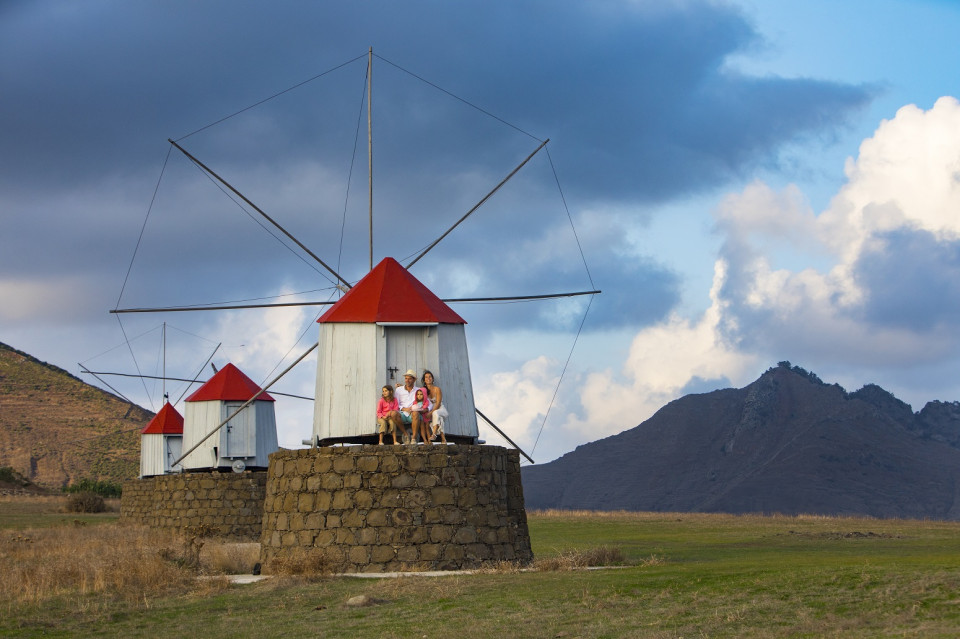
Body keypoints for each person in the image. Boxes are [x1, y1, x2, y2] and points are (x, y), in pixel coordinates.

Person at [394, 369, 422, 444]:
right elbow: (396, 403)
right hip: (402, 413)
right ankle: (405, 434)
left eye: (409, 378)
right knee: (393, 414)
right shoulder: (399, 390)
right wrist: (404, 408)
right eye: (406, 378)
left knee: (416, 413)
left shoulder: (418, 390)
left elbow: (421, 403)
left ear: (414, 380)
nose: (407, 380)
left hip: (412, 413)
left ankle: (413, 438)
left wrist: (412, 408)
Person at [422, 370, 448, 444]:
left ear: (432, 379)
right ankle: (443, 439)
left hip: (441, 409)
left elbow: (438, 403)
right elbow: (416, 393)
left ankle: (433, 433)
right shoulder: (424, 390)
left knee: (436, 413)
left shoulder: (437, 389)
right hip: (431, 410)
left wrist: (431, 412)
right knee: (440, 420)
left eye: (430, 377)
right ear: (424, 380)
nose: (428, 378)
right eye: (426, 377)